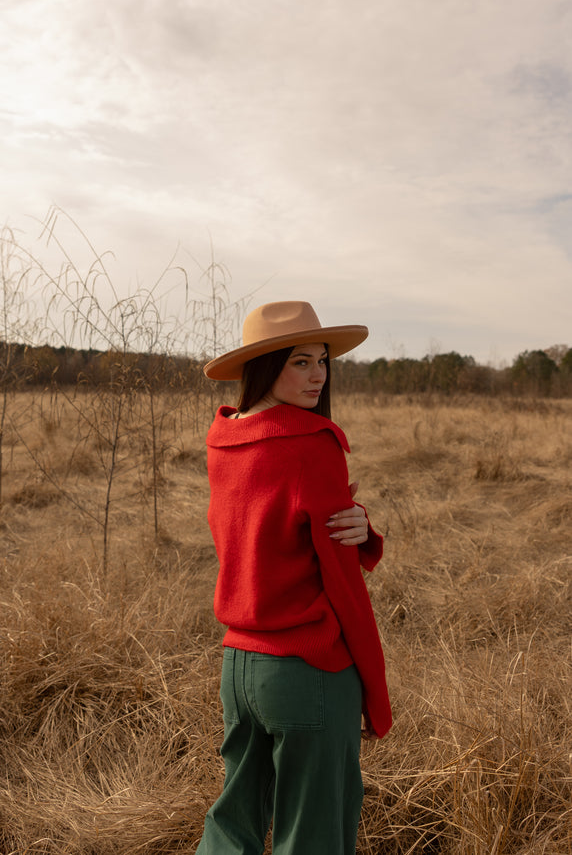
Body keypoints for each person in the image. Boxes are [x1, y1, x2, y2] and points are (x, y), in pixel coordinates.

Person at [195, 301, 391, 855]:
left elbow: (265, 531)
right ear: (267, 364)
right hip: (309, 667)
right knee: (314, 835)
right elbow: (339, 576)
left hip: (238, 666)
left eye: (323, 361)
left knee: (232, 825)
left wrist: (359, 528)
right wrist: (370, 681)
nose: (318, 375)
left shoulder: (225, 437)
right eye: (300, 362)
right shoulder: (311, 441)